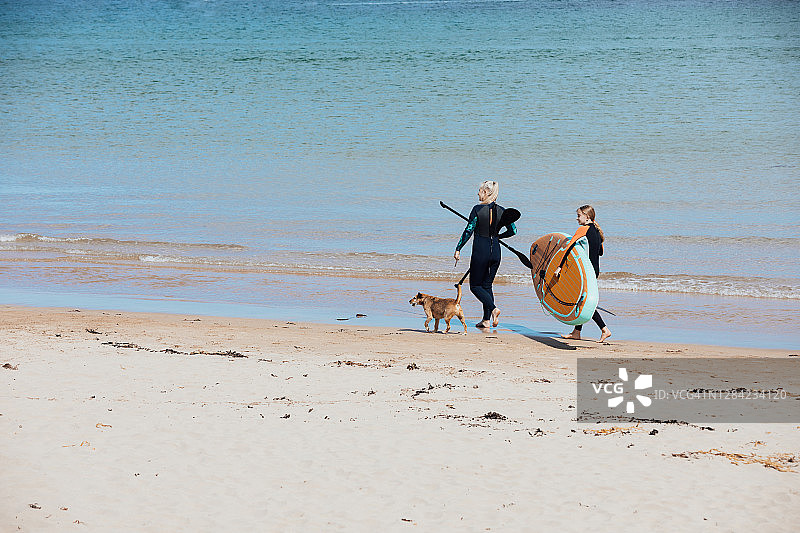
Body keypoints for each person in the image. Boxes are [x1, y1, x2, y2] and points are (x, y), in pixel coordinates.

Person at [453, 181, 517, 329]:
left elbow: (469, 230)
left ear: (486, 193)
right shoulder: (502, 211)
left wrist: (458, 248)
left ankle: (494, 309)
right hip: (495, 251)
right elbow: (513, 230)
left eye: (480, 191)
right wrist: (499, 236)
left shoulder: (477, 209)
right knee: (487, 286)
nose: (478, 193)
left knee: (475, 286)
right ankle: (486, 320)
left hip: (480, 252)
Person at [559, 205, 612, 342]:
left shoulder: (583, 229)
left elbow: (568, 247)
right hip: (594, 271)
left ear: (587, 216)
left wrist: (559, 267)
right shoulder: (596, 231)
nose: (577, 218)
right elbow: (600, 252)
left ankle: (604, 329)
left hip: (586, 272)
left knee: (584, 302)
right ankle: (577, 332)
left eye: (579, 215)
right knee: (581, 299)